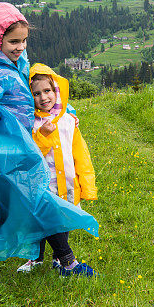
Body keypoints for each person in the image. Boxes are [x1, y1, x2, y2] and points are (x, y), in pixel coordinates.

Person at [0, 2, 99, 279]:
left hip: (18, 151)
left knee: (36, 199)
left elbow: (30, 101)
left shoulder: (16, 64)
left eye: (24, 40)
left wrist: (65, 113)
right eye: (13, 41)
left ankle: (65, 262)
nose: (20, 46)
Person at [15, 64, 97, 276]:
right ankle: (38, 258)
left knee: (62, 220)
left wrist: (87, 186)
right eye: (36, 93)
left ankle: (58, 261)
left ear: (57, 91)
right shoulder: (29, 123)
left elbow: (81, 155)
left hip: (67, 183)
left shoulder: (69, 121)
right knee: (41, 219)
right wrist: (41, 134)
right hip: (41, 184)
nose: (43, 97)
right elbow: (30, 154)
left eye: (48, 91)